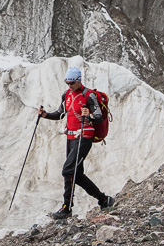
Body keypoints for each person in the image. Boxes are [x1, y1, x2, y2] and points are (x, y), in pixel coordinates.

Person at [38, 66, 115, 220]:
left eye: (72, 83)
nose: (70, 86)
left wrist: (90, 116)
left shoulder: (89, 95)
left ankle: (66, 208)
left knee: (68, 170)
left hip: (84, 136)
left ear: (79, 81)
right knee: (77, 175)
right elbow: (60, 113)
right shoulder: (66, 94)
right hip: (71, 137)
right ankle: (104, 199)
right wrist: (45, 115)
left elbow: (99, 117)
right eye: (67, 83)